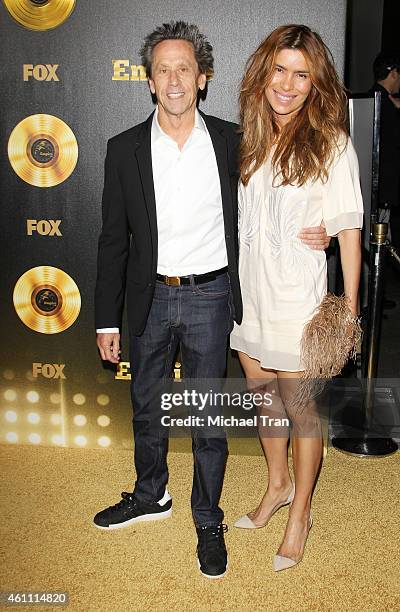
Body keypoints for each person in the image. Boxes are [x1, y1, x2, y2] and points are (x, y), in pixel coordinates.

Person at [93, 21, 329, 579]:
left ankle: (207, 517)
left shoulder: (233, 141)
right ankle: (151, 494)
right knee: (146, 408)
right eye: (162, 70)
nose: (173, 80)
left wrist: (320, 226)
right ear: (149, 82)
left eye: (184, 69)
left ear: (202, 78)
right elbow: (111, 241)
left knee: (206, 418)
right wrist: (106, 319)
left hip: (212, 296)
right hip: (150, 299)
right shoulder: (122, 149)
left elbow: (284, 189)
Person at [230, 24, 363, 571]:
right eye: (279, 70)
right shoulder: (251, 139)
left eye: (301, 74)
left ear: (316, 84)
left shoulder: (331, 142)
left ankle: (300, 512)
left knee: (301, 411)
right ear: (264, 73)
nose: (287, 83)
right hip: (251, 297)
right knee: (264, 399)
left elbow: (349, 226)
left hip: (298, 302)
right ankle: (277, 484)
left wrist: (350, 309)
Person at [369, 52, 400, 253]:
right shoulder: (387, 106)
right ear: (394, 73)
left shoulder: (370, 97)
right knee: (383, 247)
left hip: (373, 189)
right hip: (387, 192)